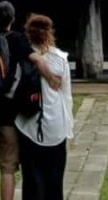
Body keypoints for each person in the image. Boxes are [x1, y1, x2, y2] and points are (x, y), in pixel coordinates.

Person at [0, 1, 62, 200]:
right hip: (9, 116)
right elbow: (38, 61)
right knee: (8, 168)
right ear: (12, 20)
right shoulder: (18, 40)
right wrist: (52, 80)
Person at [15, 14, 74, 200]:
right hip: (57, 126)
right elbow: (66, 95)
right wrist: (68, 127)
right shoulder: (60, 59)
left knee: (32, 180)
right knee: (55, 180)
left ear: (28, 33)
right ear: (50, 33)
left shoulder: (22, 56)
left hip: (27, 124)